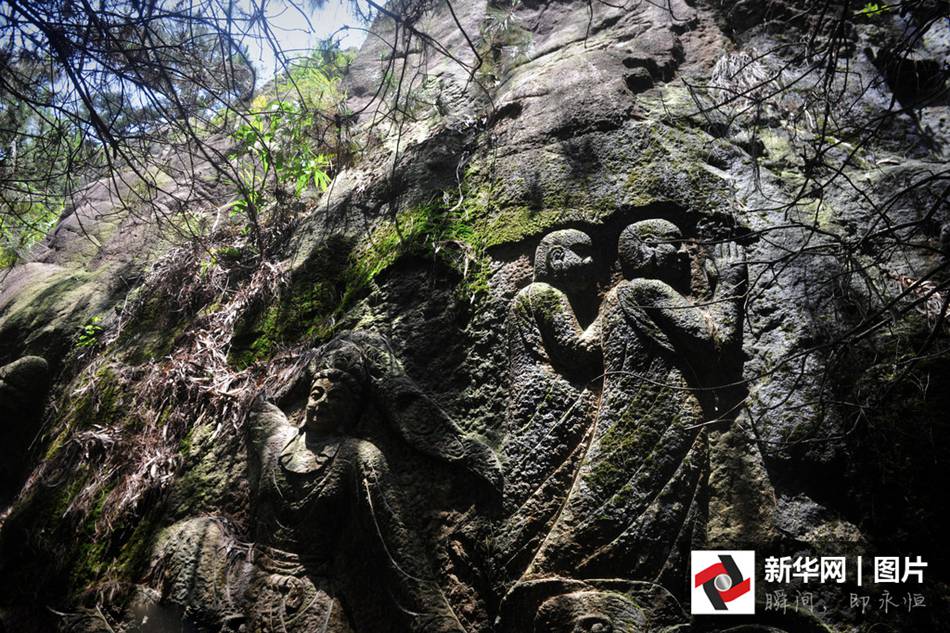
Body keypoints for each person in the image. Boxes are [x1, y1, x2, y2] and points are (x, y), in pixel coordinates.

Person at [526, 219, 747, 589]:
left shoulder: (616, 298)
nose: (683, 255)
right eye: (673, 244)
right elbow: (715, 342)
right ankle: (707, 603)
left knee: (661, 514)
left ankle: (685, 602)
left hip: (633, 417)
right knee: (680, 512)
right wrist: (730, 281)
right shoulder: (648, 290)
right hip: (667, 418)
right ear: (646, 248)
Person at [246, 333, 501, 633]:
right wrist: (311, 366)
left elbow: (400, 551)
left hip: (305, 591)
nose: (322, 402)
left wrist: (436, 620)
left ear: (351, 411)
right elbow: (259, 405)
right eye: (316, 393)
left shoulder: (358, 457)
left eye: (335, 397)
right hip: (249, 570)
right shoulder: (277, 440)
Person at [496, 229, 603, 583]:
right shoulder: (545, 294)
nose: (592, 264)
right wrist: (611, 311)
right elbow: (578, 351)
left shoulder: (526, 297)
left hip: (530, 398)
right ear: (557, 258)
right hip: (551, 398)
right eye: (583, 255)